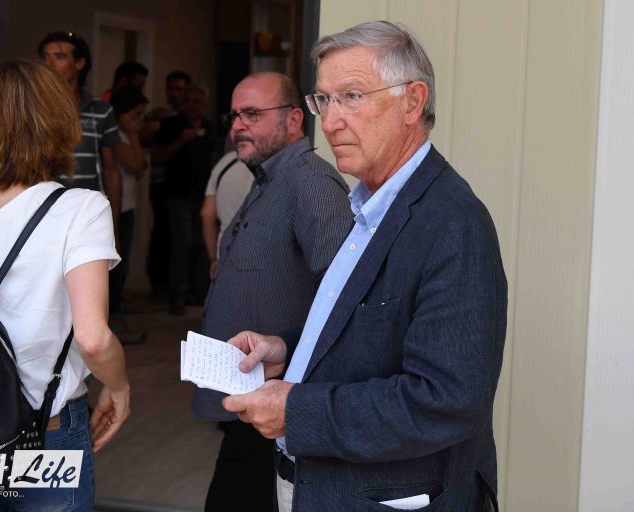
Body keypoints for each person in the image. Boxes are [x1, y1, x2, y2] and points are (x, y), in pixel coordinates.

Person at [221, 21, 507, 512]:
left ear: (412, 102)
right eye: (324, 100)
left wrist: (296, 412)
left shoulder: (453, 224)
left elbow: (446, 401)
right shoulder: (370, 205)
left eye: (351, 97)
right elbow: (370, 326)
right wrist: (287, 350)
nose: (331, 121)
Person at [0, 60, 130, 510]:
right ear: (59, 124)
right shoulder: (81, 208)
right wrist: (119, 386)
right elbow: (93, 339)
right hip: (42, 433)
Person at [194, 72, 353, 512]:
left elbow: (344, 298)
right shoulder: (269, 179)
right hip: (250, 401)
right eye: (234, 116)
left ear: (294, 119)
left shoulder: (311, 183)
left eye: (252, 114)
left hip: (277, 402)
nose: (237, 126)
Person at [38, 31, 122, 246]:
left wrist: (114, 225)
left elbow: (111, 170)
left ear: (79, 63)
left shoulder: (101, 109)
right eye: (45, 56)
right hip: (43, 213)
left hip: (88, 213)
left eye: (59, 57)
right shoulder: (35, 109)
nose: (49, 64)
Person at [152, 83, 218, 314]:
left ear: (204, 105)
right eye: (188, 101)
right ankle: (177, 294)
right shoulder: (171, 125)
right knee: (182, 244)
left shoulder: (210, 128)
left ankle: (197, 292)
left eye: (197, 102)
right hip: (177, 194)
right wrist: (182, 140)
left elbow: (214, 159)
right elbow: (157, 156)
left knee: (202, 245)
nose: (192, 106)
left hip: (204, 194)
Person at [108, 85, 150, 345]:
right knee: (115, 268)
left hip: (127, 206)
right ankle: (114, 320)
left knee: (121, 266)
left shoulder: (123, 134)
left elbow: (140, 166)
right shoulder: (114, 136)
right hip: (117, 208)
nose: (138, 121)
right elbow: (136, 165)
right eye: (135, 115)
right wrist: (134, 135)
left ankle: (117, 313)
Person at [146, 71, 192, 298]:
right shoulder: (160, 118)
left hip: (188, 188)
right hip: (161, 186)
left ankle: (182, 287)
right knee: (162, 234)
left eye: (179, 89)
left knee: (184, 239)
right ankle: (159, 283)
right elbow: (152, 153)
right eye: (171, 88)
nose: (174, 94)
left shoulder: (192, 120)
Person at [200, 150, 253, 278]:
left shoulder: (225, 162)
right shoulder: (279, 162)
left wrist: (213, 258)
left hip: (225, 254)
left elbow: (207, 214)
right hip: (262, 258)